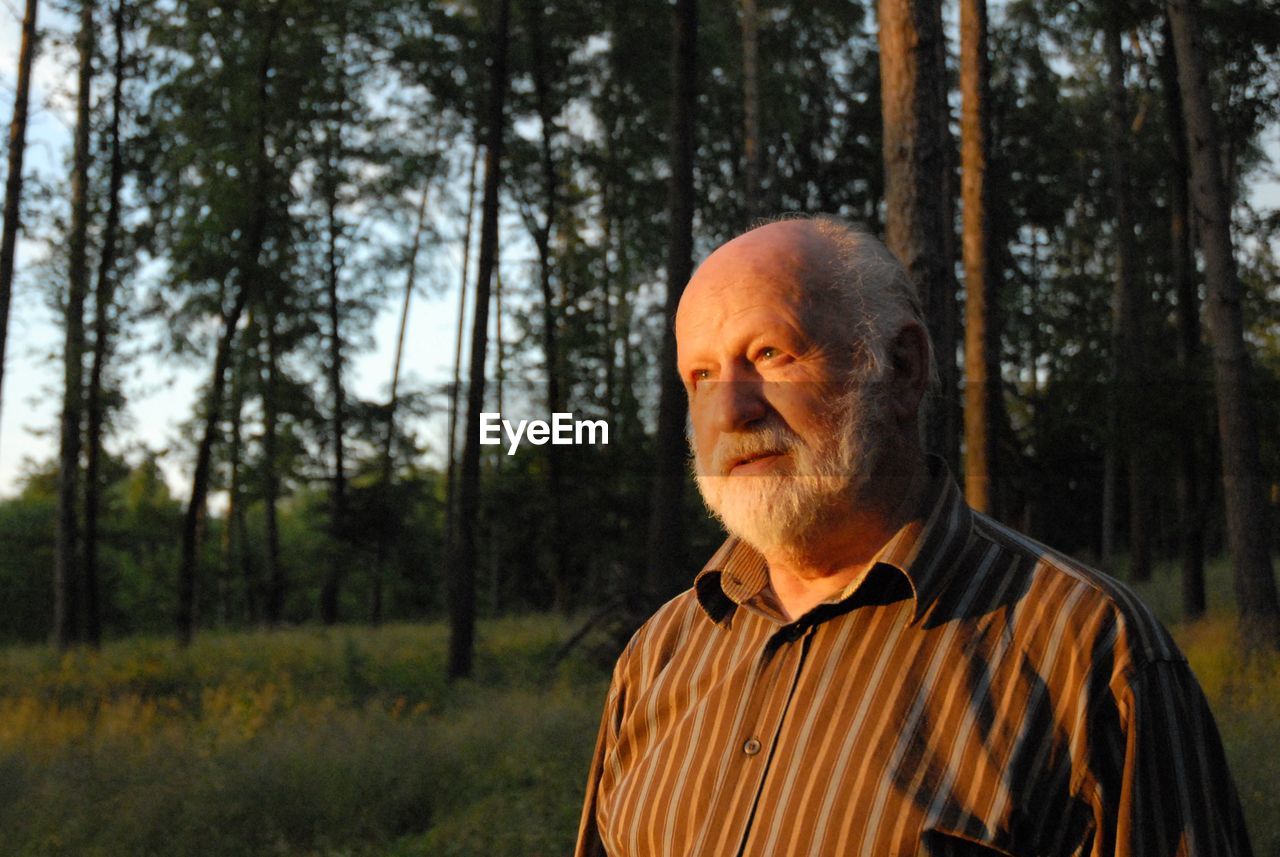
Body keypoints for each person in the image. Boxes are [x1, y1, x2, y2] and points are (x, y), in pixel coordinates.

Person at [572, 216, 1252, 857]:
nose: (732, 409)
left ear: (902, 368)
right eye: (701, 376)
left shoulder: (1089, 652)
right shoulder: (658, 654)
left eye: (770, 353)